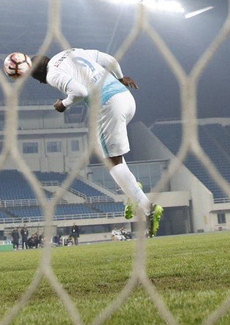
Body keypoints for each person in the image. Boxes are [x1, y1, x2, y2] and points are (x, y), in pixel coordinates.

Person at [26, 48, 163, 237]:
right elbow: (110, 59)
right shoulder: (72, 51)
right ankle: (133, 191)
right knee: (112, 154)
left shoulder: (52, 74)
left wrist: (63, 104)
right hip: (125, 97)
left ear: (41, 77)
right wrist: (120, 78)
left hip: (109, 105)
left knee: (112, 162)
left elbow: (80, 91)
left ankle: (149, 209)